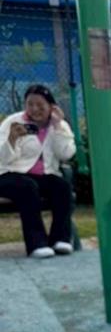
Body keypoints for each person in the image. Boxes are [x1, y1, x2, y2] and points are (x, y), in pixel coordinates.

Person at [0, 84, 76, 258]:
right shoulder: (13, 122)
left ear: (51, 107)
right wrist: (12, 139)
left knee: (62, 187)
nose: (35, 109)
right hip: (7, 174)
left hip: (42, 176)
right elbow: (3, 159)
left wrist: (57, 127)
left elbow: (65, 154)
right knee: (27, 187)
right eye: (30, 104)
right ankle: (37, 244)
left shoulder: (59, 125)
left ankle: (61, 239)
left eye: (40, 105)